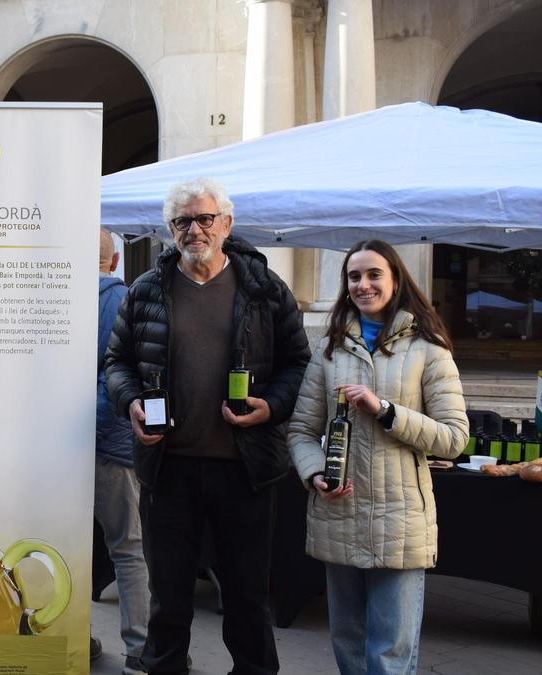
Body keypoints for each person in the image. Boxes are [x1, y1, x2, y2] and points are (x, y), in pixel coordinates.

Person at [104, 177, 310, 675]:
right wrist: (131, 402)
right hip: (169, 468)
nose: (194, 230)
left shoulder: (264, 289)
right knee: (168, 596)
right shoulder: (146, 290)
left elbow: (298, 364)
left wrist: (271, 407)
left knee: (247, 596)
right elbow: (116, 362)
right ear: (170, 229)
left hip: (245, 469)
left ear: (226, 224)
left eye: (204, 218)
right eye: (182, 221)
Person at [287, 240, 468, 675]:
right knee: (348, 645)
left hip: (399, 521)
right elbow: (301, 431)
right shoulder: (330, 350)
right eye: (354, 277)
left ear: (396, 280)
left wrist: (386, 411)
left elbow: (454, 438)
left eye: (373, 275)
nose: (363, 285)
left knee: (389, 654)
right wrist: (315, 473)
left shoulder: (429, 348)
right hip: (339, 515)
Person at [93, 228, 149, 672]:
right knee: (129, 548)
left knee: (63, 542)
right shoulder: (127, 301)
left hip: (58, 447)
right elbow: (131, 376)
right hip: (112, 445)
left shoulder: (54, 298)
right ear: (114, 262)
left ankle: (69, 636)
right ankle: (140, 646)